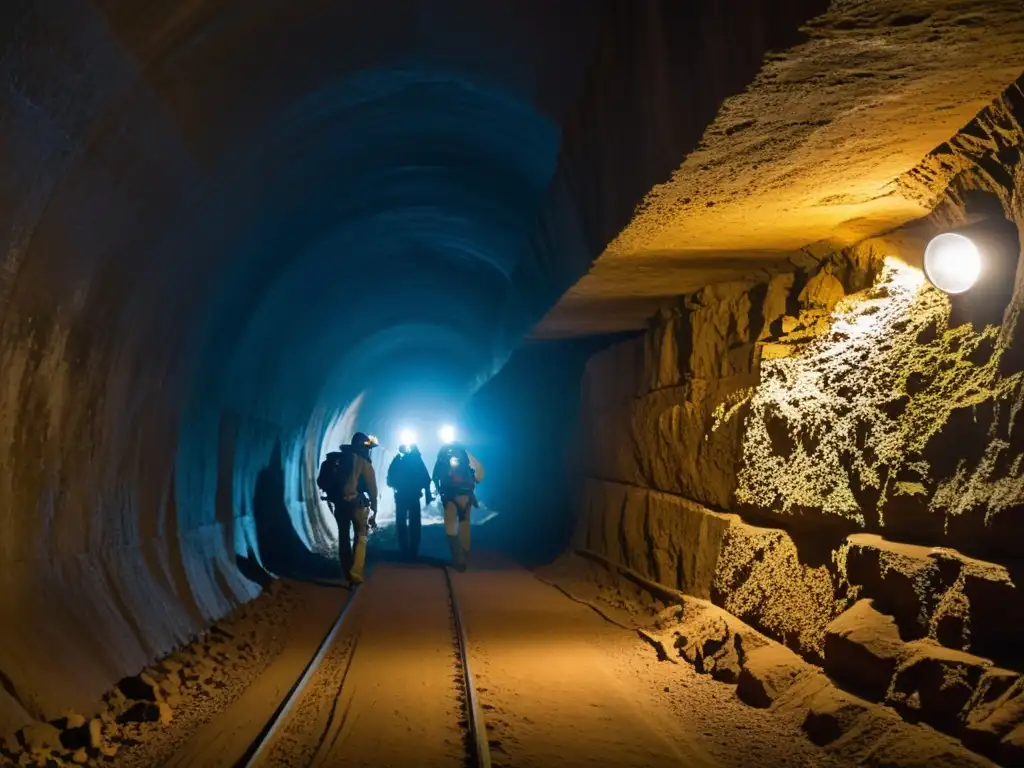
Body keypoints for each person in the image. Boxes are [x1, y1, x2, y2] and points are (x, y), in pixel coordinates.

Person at [316, 431, 379, 586]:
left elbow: (320, 482)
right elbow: (372, 487)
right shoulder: (363, 462)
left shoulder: (338, 459)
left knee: (343, 536)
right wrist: (374, 508)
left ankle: (346, 570)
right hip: (357, 505)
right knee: (361, 536)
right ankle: (355, 573)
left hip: (339, 503)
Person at [432, 442, 485, 572]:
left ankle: (458, 558)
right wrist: (473, 483)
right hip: (466, 496)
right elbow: (481, 474)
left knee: (451, 528)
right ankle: (464, 557)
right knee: (464, 526)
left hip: (450, 497)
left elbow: (435, 476)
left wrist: (437, 490)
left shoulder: (443, 454)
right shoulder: (467, 455)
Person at [386, 443, 433, 560]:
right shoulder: (417, 461)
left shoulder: (398, 460)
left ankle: (404, 551)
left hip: (401, 495)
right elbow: (426, 478)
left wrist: (395, 485)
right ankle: (413, 551)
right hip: (413, 496)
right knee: (415, 523)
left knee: (401, 523)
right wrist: (427, 493)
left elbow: (390, 478)